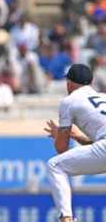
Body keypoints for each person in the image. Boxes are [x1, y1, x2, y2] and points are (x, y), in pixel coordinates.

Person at [44, 64, 106, 222]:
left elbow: (62, 148)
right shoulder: (104, 97)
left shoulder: (70, 101)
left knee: (55, 166)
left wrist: (60, 135)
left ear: (69, 84)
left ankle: (66, 218)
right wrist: (78, 137)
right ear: (91, 84)